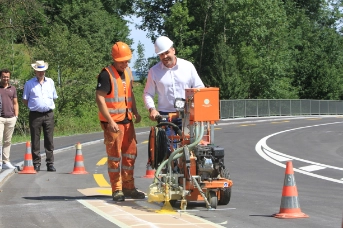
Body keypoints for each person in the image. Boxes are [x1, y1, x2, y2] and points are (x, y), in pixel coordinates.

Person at [96, 41, 145, 201]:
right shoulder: (106, 74)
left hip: (127, 120)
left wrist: (136, 112)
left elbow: (129, 95)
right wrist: (110, 121)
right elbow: (100, 98)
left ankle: (129, 187)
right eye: (122, 61)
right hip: (113, 124)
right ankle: (117, 189)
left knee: (130, 155)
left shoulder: (129, 72)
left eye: (127, 60)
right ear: (114, 59)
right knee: (115, 157)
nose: (125, 63)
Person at [143, 36, 205, 121]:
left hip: (186, 113)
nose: (164, 56)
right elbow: (148, 93)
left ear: (173, 50)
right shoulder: (154, 71)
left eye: (167, 52)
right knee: (163, 134)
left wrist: (194, 105)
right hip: (164, 115)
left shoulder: (188, 66)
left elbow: (199, 88)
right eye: (161, 54)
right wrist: (152, 109)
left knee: (187, 135)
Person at [22, 60, 58, 172]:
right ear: (35, 71)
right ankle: (36, 163)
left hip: (48, 114)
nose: (40, 73)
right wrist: (35, 106)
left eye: (42, 71)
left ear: (45, 71)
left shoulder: (50, 82)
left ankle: (50, 163)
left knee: (49, 139)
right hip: (35, 115)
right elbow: (25, 100)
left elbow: (54, 96)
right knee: (35, 139)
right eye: (38, 71)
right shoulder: (29, 84)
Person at [0, 69, 18, 169]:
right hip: (0, 118)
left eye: (7, 76)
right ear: (0, 77)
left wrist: (16, 116)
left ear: (9, 77)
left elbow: (15, 103)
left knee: (7, 141)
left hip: (11, 118)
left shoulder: (13, 88)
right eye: (3, 76)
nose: (5, 78)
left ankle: (6, 161)